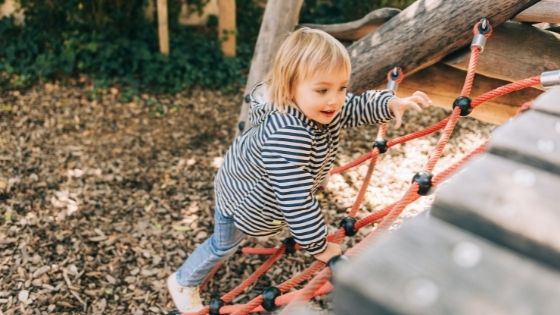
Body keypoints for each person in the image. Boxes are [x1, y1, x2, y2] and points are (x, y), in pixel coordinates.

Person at [167, 27, 432, 312]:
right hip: (240, 202)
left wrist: (390, 103)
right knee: (222, 246)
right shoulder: (287, 134)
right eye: (323, 90)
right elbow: (295, 197)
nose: (335, 99)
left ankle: (298, 230)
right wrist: (318, 245)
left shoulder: (320, 106)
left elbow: (355, 107)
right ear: (290, 86)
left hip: (265, 196)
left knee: (290, 213)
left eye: (341, 87)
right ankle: (183, 281)